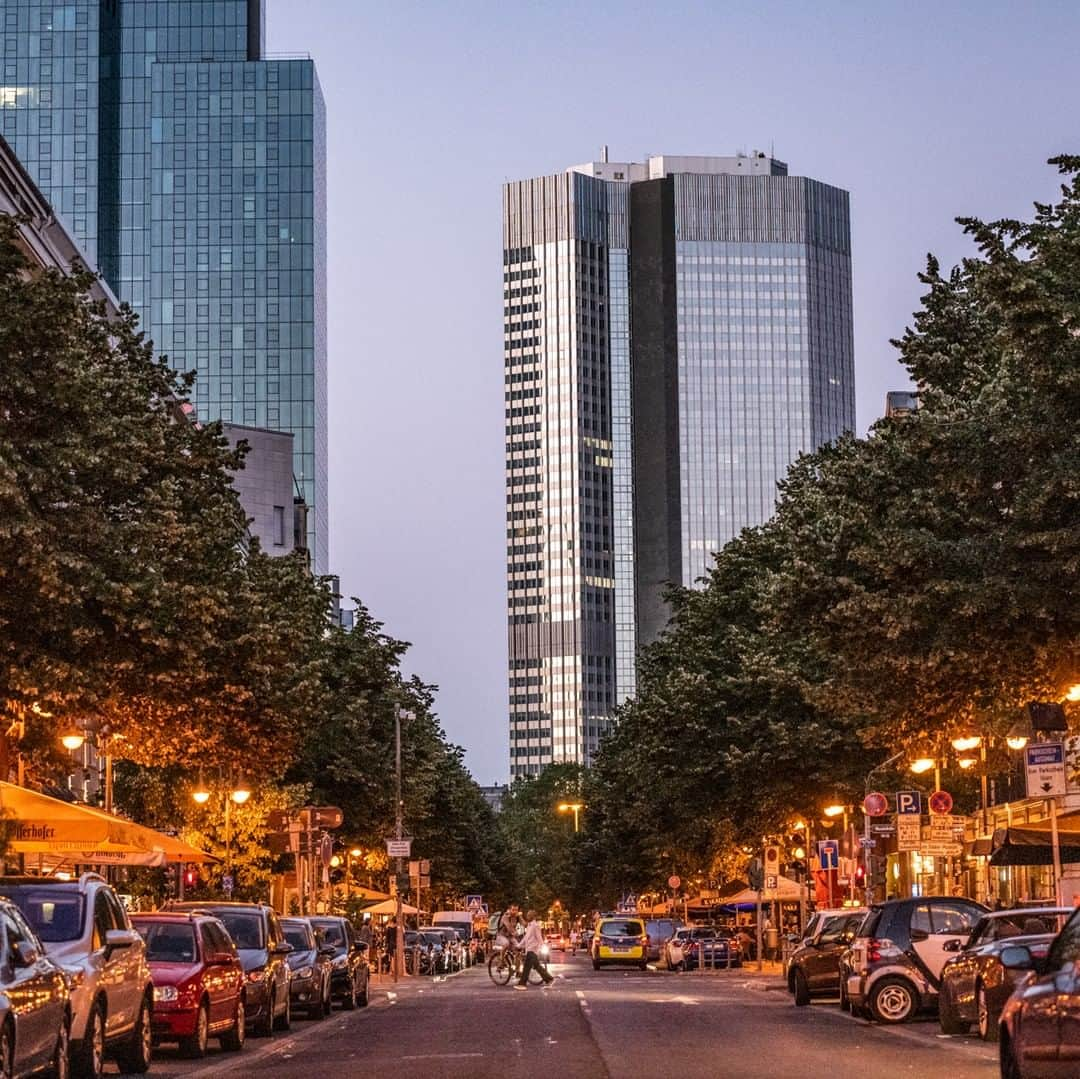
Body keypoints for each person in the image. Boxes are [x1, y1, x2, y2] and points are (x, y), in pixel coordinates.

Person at [515, 909, 553, 989]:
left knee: (526, 967)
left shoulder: (535, 926)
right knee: (537, 966)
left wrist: (541, 947)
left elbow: (539, 938)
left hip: (533, 950)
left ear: (533, 916)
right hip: (529, 949)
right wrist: (519, 945)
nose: (527, 916)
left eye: (529, 915)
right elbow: (526, 938)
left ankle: (522, 984)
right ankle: (549, 979)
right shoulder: (529, 926)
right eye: (527, 915)